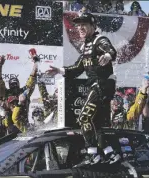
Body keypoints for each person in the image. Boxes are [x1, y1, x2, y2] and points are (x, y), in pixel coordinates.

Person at [46, 12, 119, 165]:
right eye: (78, 25)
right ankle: (110, 154)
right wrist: (59, 70)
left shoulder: (100, 40)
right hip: (98, 86)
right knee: (95, 122)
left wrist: (107, 55)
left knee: (83, 117)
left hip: (101, 85)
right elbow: (77, 68)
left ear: (93, 26)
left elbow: (111, 50)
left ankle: (92, 154)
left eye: (84, 24)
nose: (80, 27)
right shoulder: (86, 45)